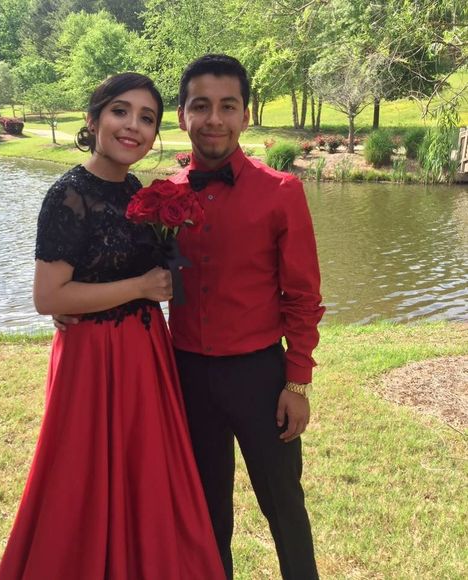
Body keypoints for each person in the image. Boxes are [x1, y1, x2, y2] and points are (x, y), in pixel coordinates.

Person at [0, 72, 225, 579]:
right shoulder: (68, 195)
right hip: (94, 359)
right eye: (121, 111)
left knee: (146, 472)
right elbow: (48, 297)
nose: (133, 127)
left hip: (145, 354)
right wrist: (140, 287)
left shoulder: (135, 191)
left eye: (147, 118)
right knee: (84, 475)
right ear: (93, 119)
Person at [166, 54, 325, 580]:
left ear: (246, 115)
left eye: (227, 106)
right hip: (187, 376)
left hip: (260, 377)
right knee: (205, 512)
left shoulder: (282, 192)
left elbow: (303, 296)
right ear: (182, 115)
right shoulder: (162, 197)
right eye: (200, 106)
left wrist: (297, 382)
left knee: (284, 506)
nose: (214, 119)